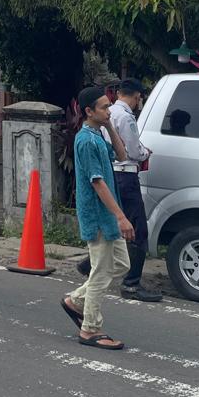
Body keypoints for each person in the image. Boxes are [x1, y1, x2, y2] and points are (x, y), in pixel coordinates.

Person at [61, 85, 134, 350]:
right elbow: (97, 182)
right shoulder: (86, 141)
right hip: (97, 215)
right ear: (89, 111)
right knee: (101, 272)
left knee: (121, 264)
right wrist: (121, 217)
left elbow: (123, 155)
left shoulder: (98, 135)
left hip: (107, 215)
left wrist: (110, 126)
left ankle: (75, 300)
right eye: (104, 107)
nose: (109, 110)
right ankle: (90, 328)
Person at [106, 78, 161, 301]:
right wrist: (146, 152)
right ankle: (131, 284)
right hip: (126, 175)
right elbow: (134, 151)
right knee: (137, 229)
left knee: (115, 224)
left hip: (111, 172)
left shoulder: (107, 112)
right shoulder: (126, 117)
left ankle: (89, 265)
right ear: (137, 97)